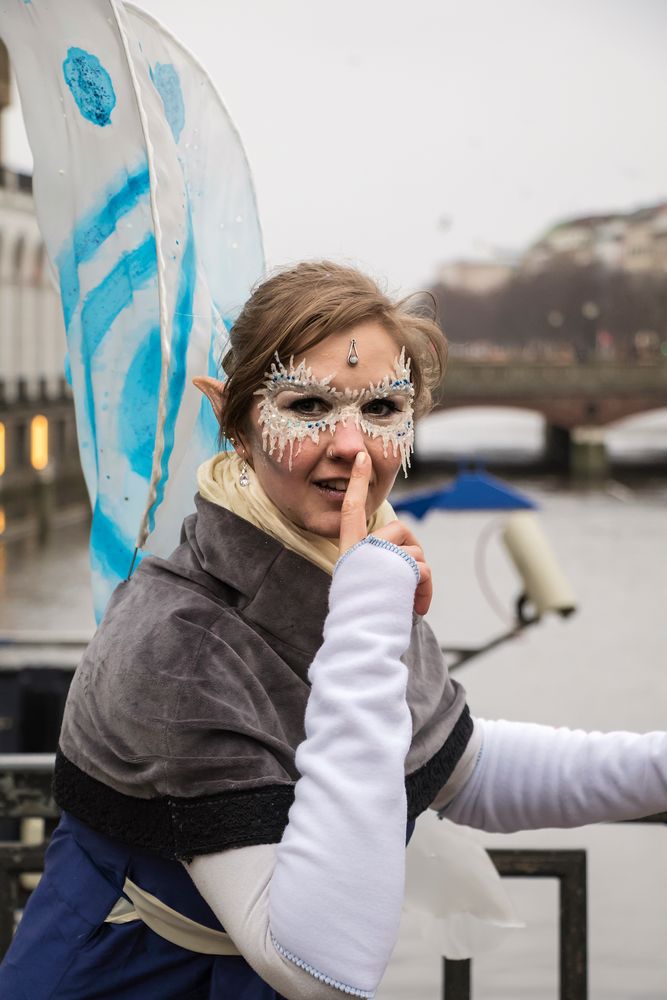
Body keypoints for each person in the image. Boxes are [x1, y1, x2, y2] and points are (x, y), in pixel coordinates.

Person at [1, 261, 666, 1000]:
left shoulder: (351, 569)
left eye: (382, 408)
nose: (352, 447)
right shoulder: (176, 640)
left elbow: (462, 768)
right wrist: (366, 613)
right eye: (309, 404)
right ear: (237, 424)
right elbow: (322, 965)